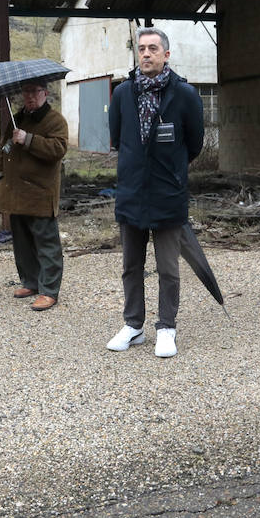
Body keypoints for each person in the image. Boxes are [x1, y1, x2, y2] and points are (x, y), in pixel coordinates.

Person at [105, 27, 205, 358]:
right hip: (132, 193)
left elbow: (194, 144)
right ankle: (133, 325)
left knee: (168, 268)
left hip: (168, 196)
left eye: (153, 49)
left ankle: (167, 327)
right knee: (131, 266)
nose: (146, 54)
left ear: (166, 55)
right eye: (141, 48)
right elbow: (119, 139)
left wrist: (171, 172)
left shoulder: (185, 94)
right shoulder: (122, 94)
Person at [0, 81, 69, 311]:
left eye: (35, 91)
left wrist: (27, 139)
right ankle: (30, 281)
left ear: (45, 93)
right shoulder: (18, 119)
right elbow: (4, 149)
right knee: (22, 242)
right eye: (26, 92)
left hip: (40, 193)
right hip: (16, 193)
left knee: (47, 244)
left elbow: (58, 149)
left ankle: (49, 290)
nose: (29, 96)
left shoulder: (55, 121)